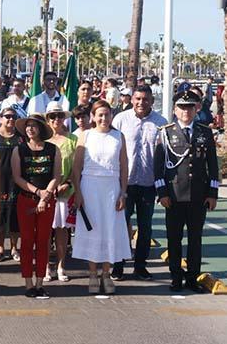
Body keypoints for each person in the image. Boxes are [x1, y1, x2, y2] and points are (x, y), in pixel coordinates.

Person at [154, 90, 219, 293]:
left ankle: (192, 278)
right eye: (182, 107)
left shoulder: (204, 132)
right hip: (174, 195)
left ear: (196, 109)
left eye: (190, 107)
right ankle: (175, 277)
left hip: (198, 195)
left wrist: (212, 193)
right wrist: (162, 193)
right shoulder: (165, 133)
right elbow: (158, 167)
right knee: (174, 239)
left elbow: (212, 165)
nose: (186, 111)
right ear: (175, 110)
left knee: (195, 239)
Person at [71, 100, 130, 295]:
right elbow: (76, 167)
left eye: (107, 114)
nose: (104, 118)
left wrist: (123, 192)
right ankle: (92, 274)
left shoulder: (118, 136)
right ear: (93, 117)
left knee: (110, 229)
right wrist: (78, 192)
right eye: (100, 115)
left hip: (111, 188)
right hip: (89, 187)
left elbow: (124, 167)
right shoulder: (86, 136)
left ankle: (106, 273)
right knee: (93, 230)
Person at [110, 85, 167, 281]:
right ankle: (118, 265)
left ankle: (140, 266)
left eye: (145, 99)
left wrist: (162, 185)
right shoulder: (120, 119)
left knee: (145, 227)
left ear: (152, 101)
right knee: (120, 225)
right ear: (132, 100)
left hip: (148, 183)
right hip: (124, 183)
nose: (141, 102)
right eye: (138, 98)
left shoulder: (161, 123)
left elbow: (164, 156)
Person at [11, 114, 61, 298]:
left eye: (34, 126)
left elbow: (57, 175)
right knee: (27, 241)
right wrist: (38, 192)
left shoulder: (53, 149)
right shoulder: (19, 150)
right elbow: (17, 177)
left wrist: (46, 195)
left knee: (43, 240)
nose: (30, 129)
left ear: (41, 129)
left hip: (47, 201)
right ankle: (28, 283)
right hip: (26, 200)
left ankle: (40, 282)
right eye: (28, 126)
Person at [45, 102, 78, 282]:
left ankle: (60, 266)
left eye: (59, 116)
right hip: (45, 193)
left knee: (61, 231)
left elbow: (77, 166)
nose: (56, 119)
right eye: (52, 116)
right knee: (44, 231)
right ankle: (45, 266)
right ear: (47, 119)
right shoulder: (42, 139)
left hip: (65, 192)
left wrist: (68, 182)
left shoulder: (73, 139)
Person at [0, 107, 23, 262]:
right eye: (7, 116)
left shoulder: (21, 137)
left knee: (14, 215)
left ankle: (14, 247)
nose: (11, 119)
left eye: (13, 117)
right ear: (0, 118)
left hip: (16, 181)